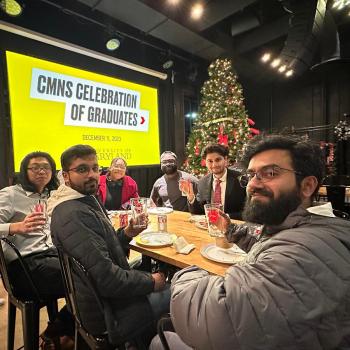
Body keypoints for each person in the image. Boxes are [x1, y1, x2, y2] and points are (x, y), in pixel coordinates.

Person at [157, 134, 350, 350]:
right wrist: (231, 229)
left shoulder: (298, 255)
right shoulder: (307, 226)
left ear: (307, 186)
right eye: (251, 175)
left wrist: (185, 271)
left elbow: (205, 315)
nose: (252, 185)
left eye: (270, 173)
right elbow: (267, 237)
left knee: (157, 341)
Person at [48, 144, 170, 346]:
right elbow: (109, 281)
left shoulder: (80, 201)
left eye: (95, 168)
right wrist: (153, 281)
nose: (92, 174)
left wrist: (127, 233)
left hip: (99, 300)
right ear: (65, 176)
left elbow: (100, 248)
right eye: (82, 169)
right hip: (107, 314)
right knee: (179, 293)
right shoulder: (74, 215)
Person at [0, 151, 74, 348]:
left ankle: (58, 330)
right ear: (25, 171)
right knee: (85, 278)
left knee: (92, 269)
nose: (41, 171)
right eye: (35, 167)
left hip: (50, 257)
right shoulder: (11, 195)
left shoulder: (50, 195)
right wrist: (15, 227)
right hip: (24, 266)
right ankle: (62, 332)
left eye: (46, 167)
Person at [183, 143, 246, 219]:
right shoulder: (202, 182)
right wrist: (191, 197)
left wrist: (226, 217)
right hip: (210, 227)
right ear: (205, 162)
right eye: (210, 161)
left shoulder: (241, 179)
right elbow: (198, 212)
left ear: (225, 159)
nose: (214, 165)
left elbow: (248, 211)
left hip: (234, 226)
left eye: (218, 160)